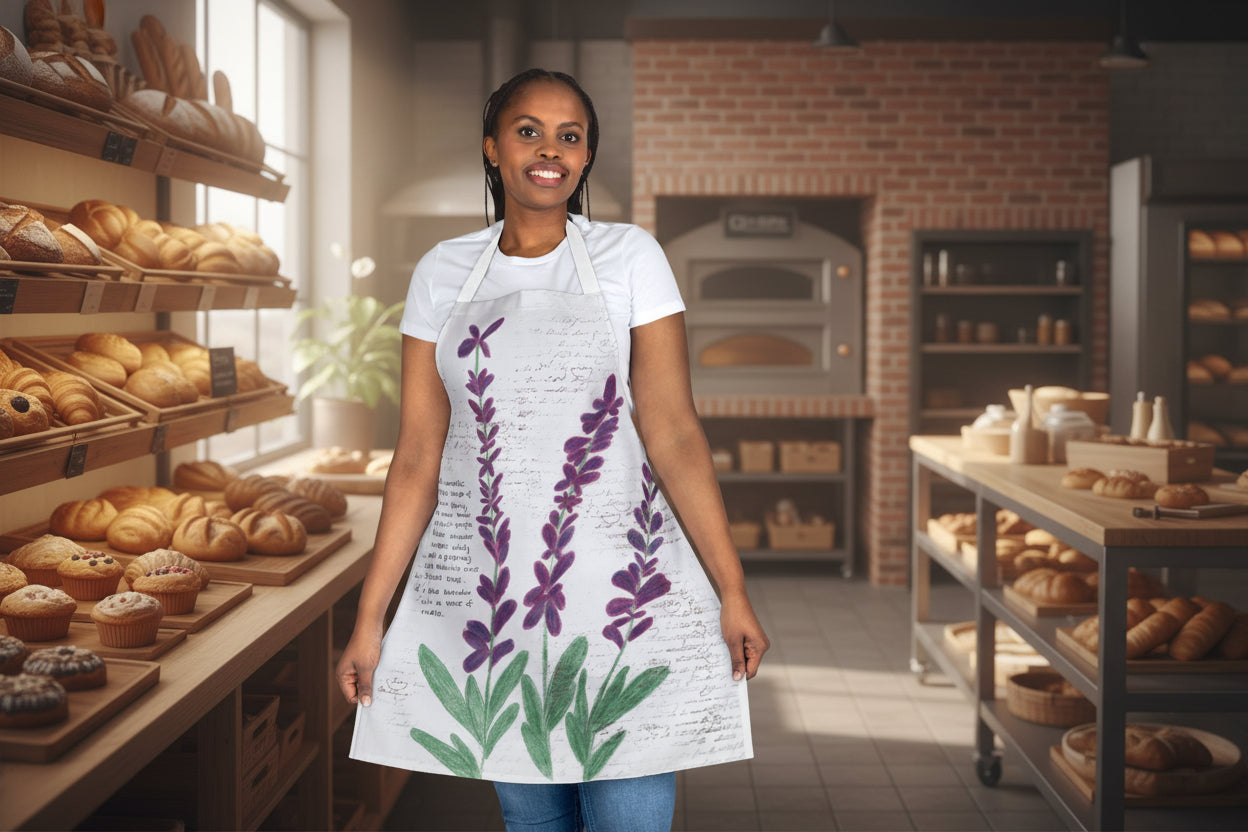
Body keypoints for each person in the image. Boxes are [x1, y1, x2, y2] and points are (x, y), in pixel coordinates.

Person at [338, 68, 769, 832]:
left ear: (587, 158)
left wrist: (731, 585)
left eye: (571, 136)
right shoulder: (442, 271)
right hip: (494, 602)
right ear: (492, 149)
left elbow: (673, 432)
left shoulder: (630, 257)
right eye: (529, 130)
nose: (550, 150)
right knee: (533, 824)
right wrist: (373, 616)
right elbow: (416, 457)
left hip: (625, 599)